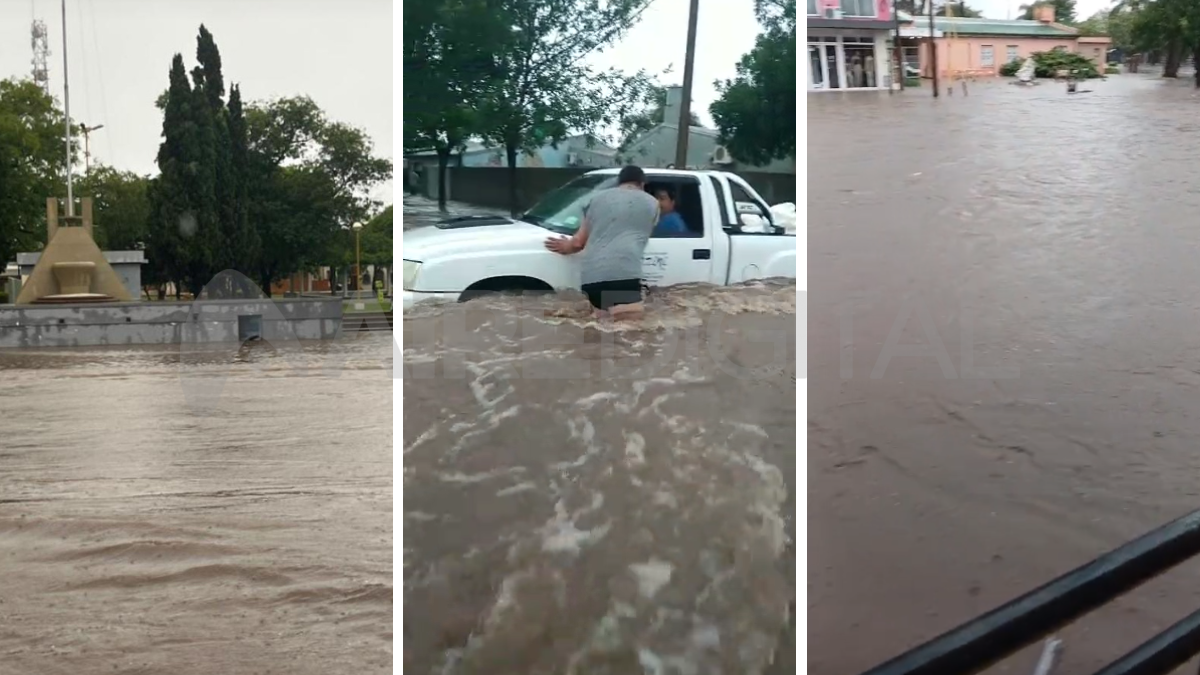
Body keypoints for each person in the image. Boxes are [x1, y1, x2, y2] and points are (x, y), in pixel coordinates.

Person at [544, 165, 658, 319]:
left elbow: (578, 243)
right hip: (623, 274)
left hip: (591, 279)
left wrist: (565, 246)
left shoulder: (596, 199)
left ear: (619, 182)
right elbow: (643, 236)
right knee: (632, 335)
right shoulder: (652, 203)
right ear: (642, 184)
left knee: (600, 332)